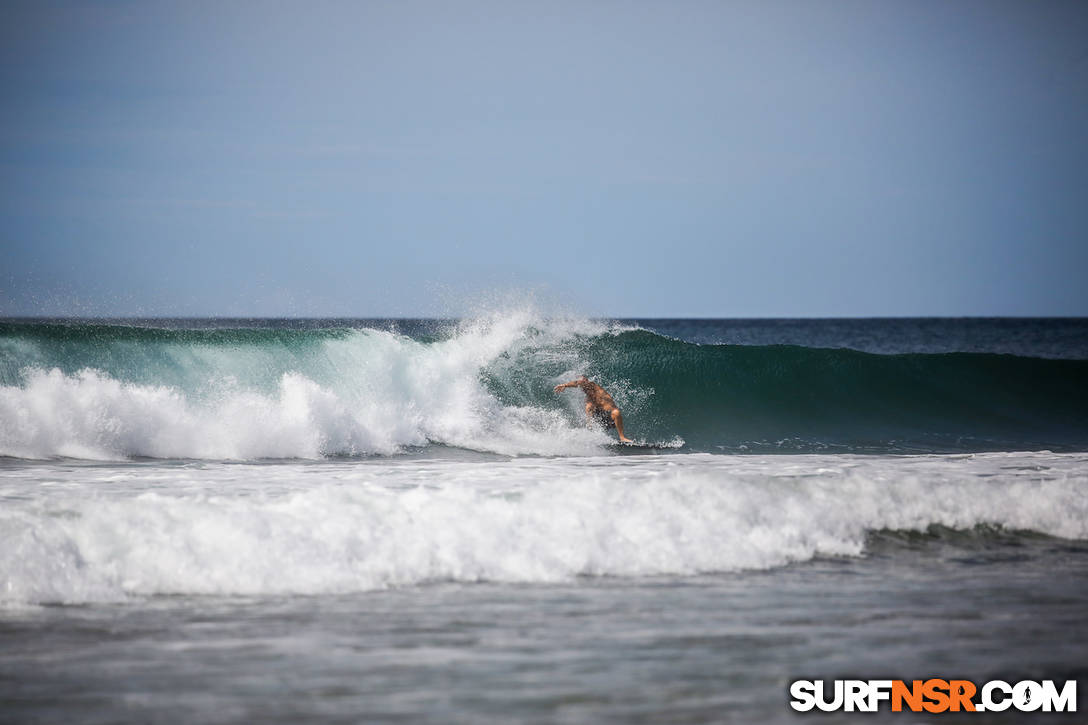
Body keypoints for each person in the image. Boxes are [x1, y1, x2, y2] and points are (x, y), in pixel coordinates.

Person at [554, 375, 633, 443]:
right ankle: (591, 434)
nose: (581, 382)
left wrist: (565, 385)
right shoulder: (588, 397)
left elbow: (577, 383)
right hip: (600, 421)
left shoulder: (593, 385)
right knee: (589, 406)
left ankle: (622, 437)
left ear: (586, 381)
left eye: (582, 380)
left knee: (616, 412)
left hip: (610, 419)